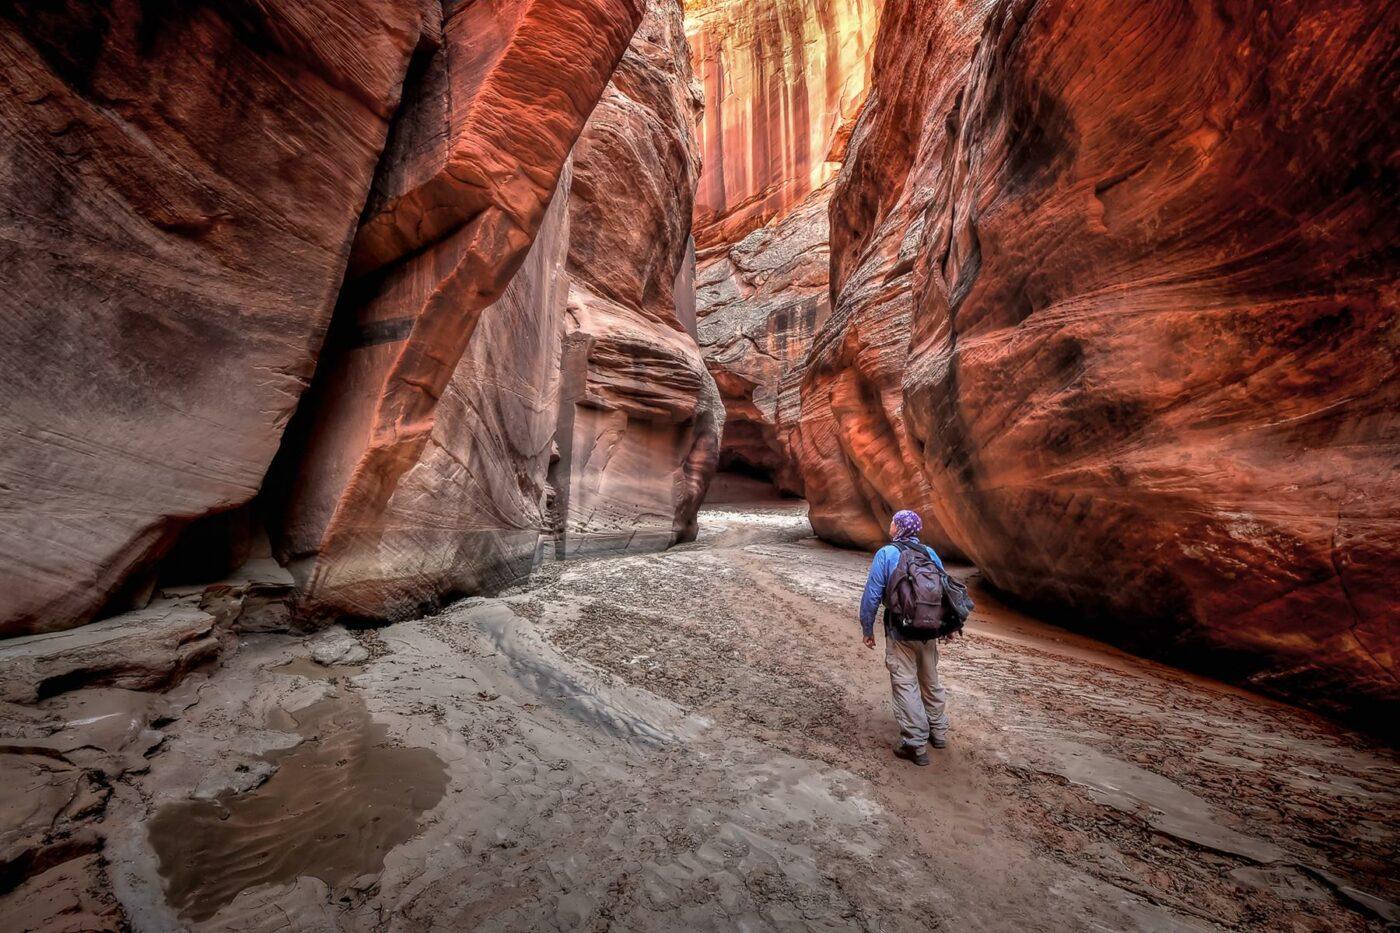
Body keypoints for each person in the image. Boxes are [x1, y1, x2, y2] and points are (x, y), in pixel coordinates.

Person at [859, 509, 949, 766]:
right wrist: (948, 627)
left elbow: (872, 595)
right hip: (930, 629)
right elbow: (945, 590)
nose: (890, 525)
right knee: (930, 678)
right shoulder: (929, 553)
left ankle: (915, 743)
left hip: (900, 629)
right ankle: (939, 731)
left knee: (905, 681)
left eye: (893, 522)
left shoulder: (886, 554)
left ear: (898, 527)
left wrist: (867, 628)